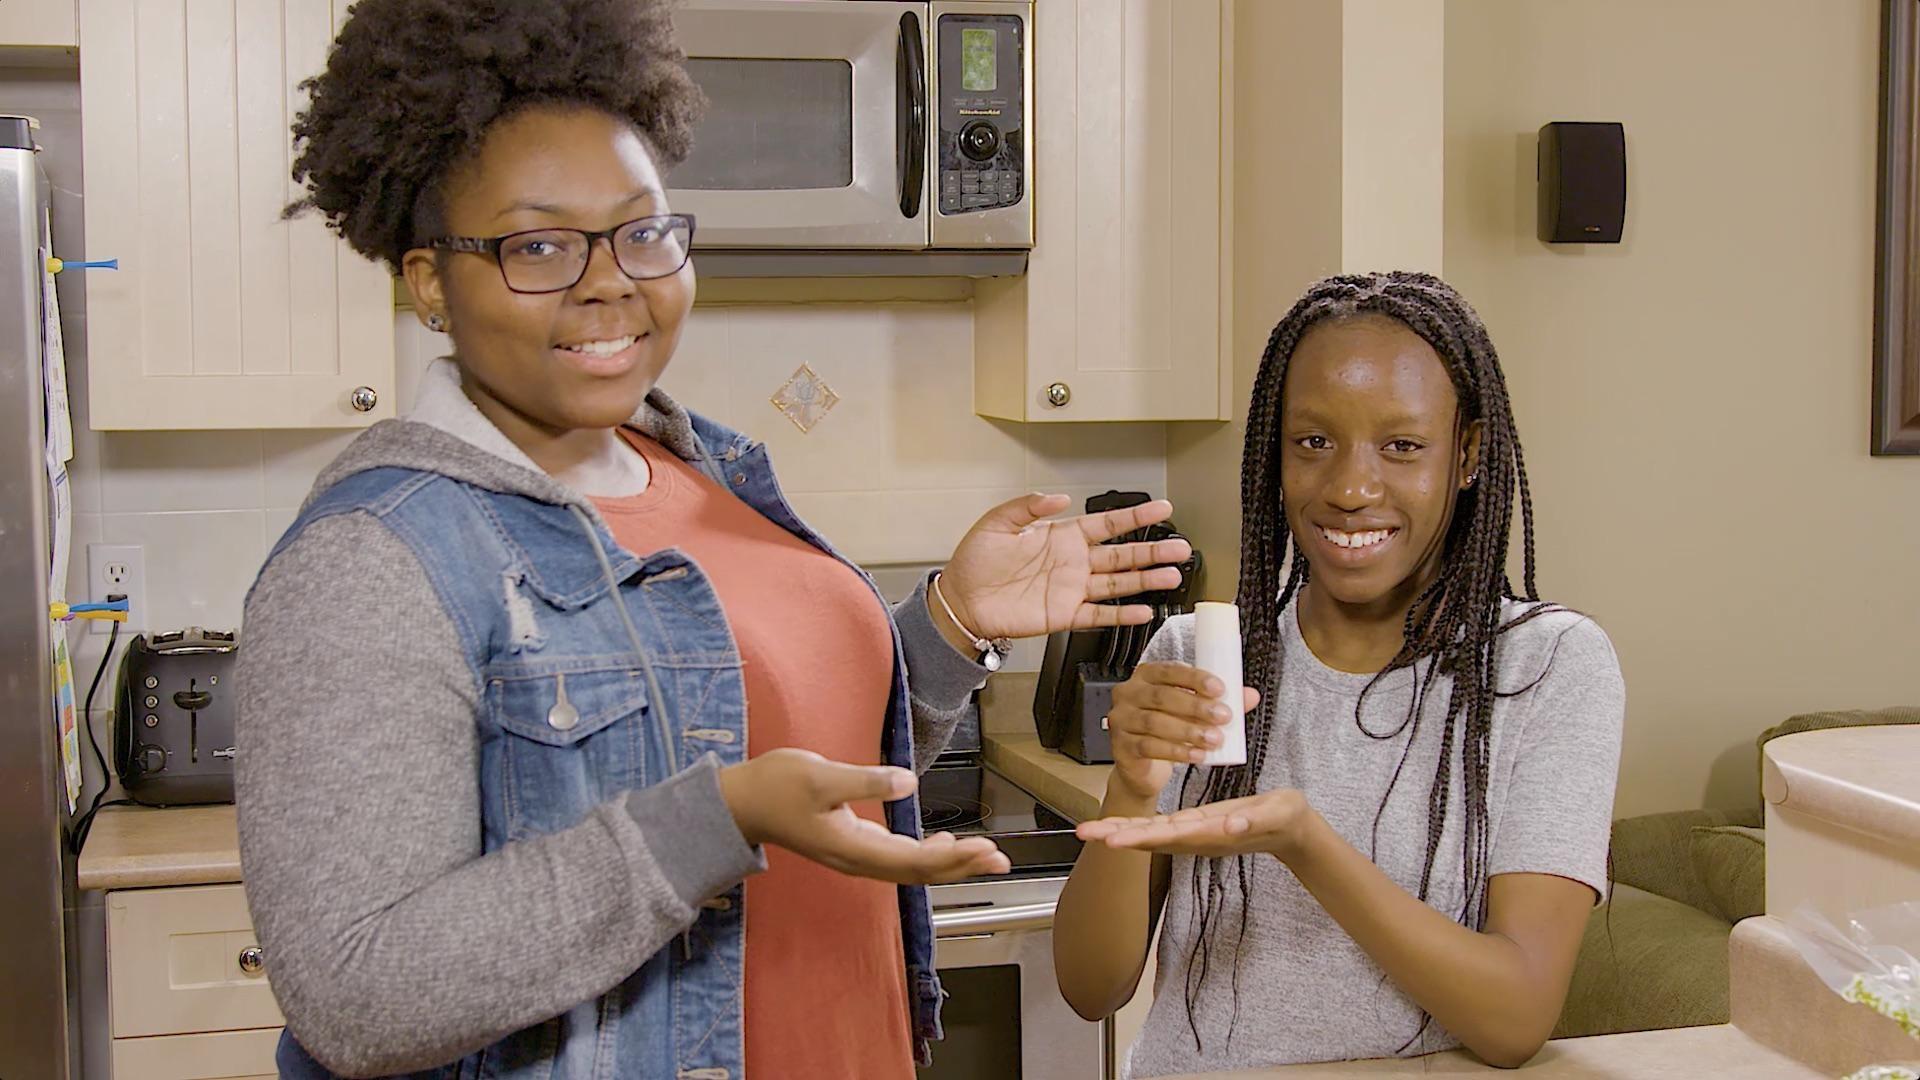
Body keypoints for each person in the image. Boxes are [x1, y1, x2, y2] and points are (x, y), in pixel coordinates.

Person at [233, 2, 1191, 1078]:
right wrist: (713, 821)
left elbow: (805, 762)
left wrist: (949, 627)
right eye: (538, 245)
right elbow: (356, 993)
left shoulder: (710, 469)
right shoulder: (373, 557)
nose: (611, 279)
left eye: (642, 232)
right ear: (428, 283)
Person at [1052, 271, 1625, 1075]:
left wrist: (1305, 843)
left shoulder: (1548, 667)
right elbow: (1090, 988)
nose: (1351, 489)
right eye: (1313, 443)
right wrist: (1133, 790)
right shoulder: (1200, 656)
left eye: (1402, 446)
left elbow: (1515, 1017)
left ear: (1467, 454)